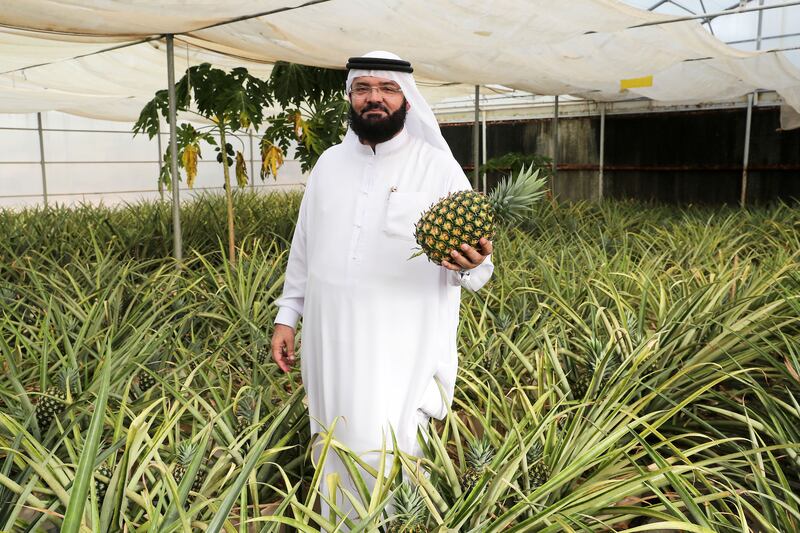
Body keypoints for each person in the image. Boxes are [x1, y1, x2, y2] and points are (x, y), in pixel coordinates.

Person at [270, 50, 494, 524]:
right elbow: (303, 248)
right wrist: (287, 316)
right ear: (350, 96)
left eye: (387, 89)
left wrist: (474, 265)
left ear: (407, 99)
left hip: (399, 350)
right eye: (364, 88)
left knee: (387, 447)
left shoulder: (437, 168)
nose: (375, 98)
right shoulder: (329, 164)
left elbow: (476, 268)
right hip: (329, 342)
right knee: (332, 435)